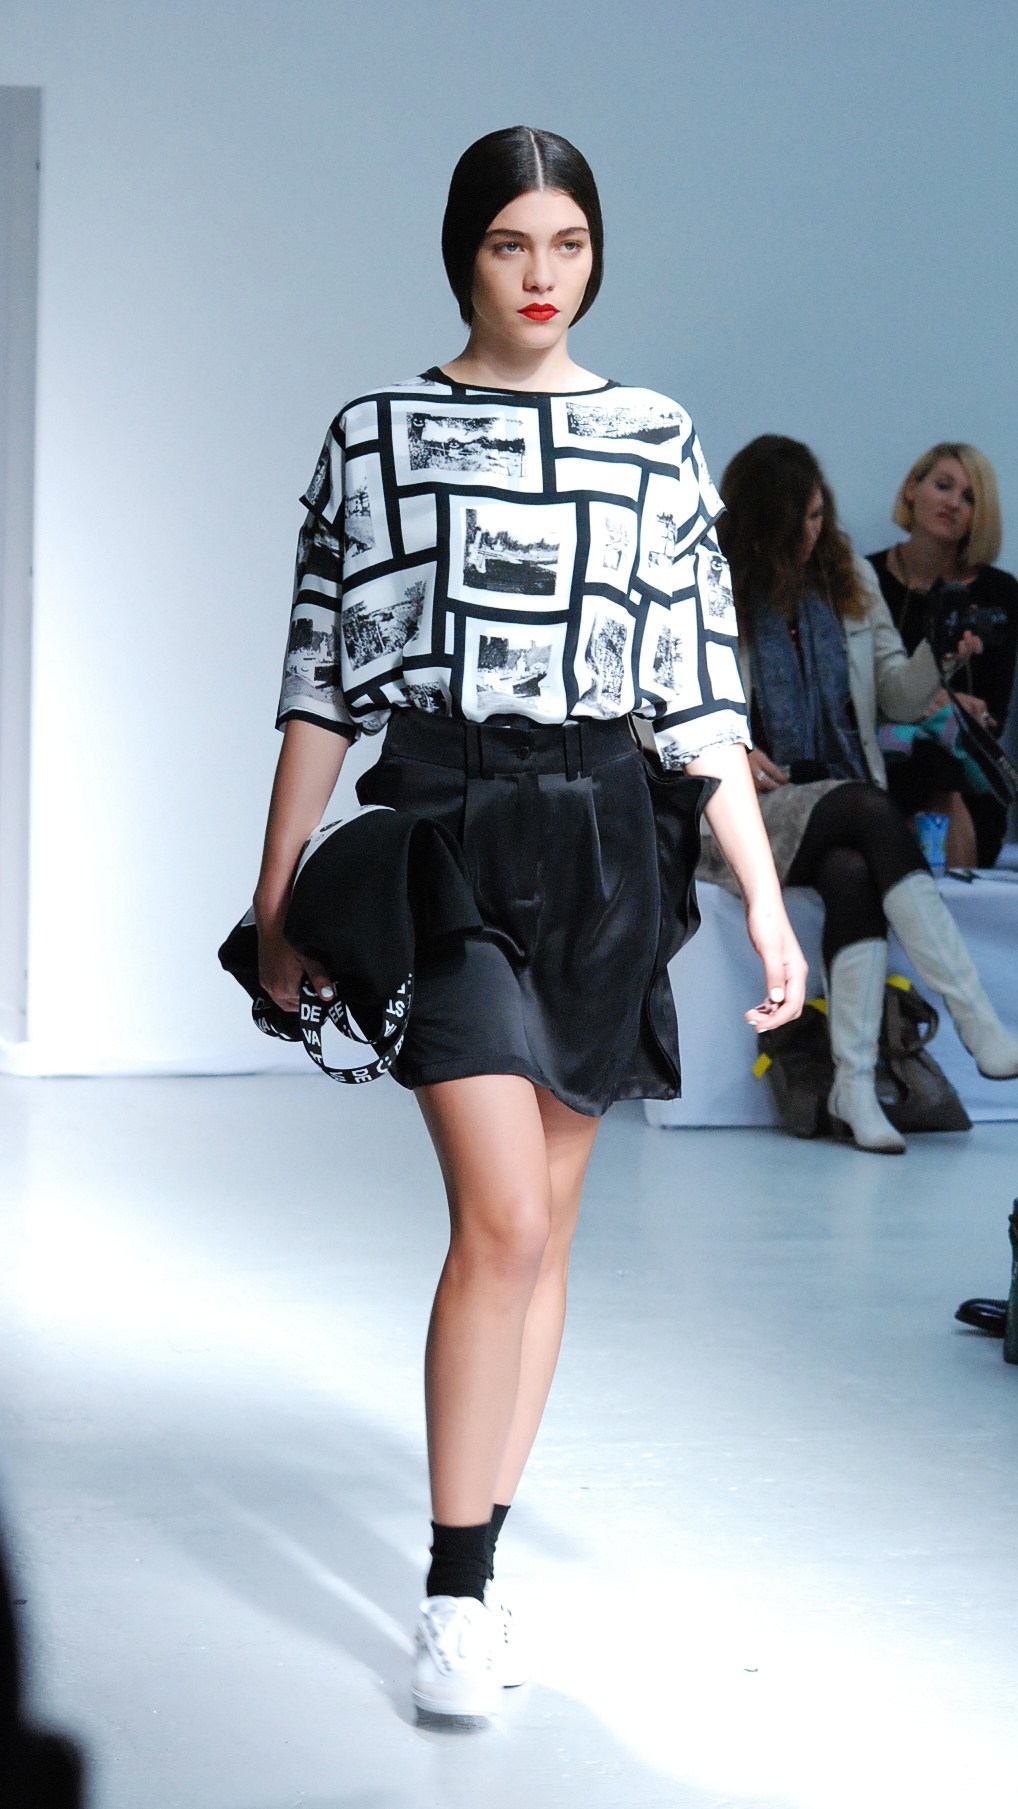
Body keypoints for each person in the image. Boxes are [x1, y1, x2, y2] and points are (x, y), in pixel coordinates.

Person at [253, 128, 807, 1719]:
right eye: (511, 243)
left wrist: (763, 902)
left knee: (543, 1230)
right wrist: (273, 893)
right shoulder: (376, 433)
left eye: (568, 242)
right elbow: (318, 683)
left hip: (604, 843)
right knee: (498, 1218)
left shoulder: (651, 436)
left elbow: (697, 693)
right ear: (463, 253)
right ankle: (451, 1595)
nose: (543, 274)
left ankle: (480, 1562)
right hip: (442, 831)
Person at [700, 434, 1018, 1154]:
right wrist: (728, 748)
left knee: (851, 869)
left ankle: (853, 1081)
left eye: (821, 515)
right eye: (800, 520)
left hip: (829, 798)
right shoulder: (708, 586)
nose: (815, 534)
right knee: (869, 808)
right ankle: (974, 1018)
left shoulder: (849, 580)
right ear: (764, 524)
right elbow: (661, 702)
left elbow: (899, 700)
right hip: (745, 814)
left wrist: (940, 651)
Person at [868, 443, 1018, 867]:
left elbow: (991, 715)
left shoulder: (999, 593)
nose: (953, 503)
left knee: (939, 769)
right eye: (943, 486)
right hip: (881, 760)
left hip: (964, 776)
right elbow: (851, 693)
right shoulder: (865, 579)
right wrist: (930, 702)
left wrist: (937, 710)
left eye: (968, 498)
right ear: (912, 489)